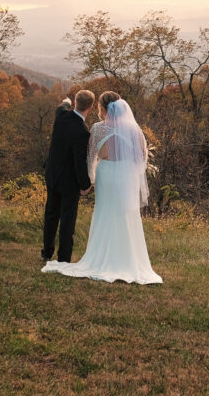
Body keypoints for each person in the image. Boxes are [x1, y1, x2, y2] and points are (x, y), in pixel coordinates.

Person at [42, 91, 162, 284]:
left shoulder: (98, 129)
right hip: (126, 177)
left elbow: (90, 158)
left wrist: (87, 182)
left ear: (101, 108)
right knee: (125, 215)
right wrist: (128, 172)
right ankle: (127, 259)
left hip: (106, 176)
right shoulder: (135, 131)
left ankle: (100, 257)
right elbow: (142, 159)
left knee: (105, 213)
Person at [41, 89, 94, 264]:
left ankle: (46, 252)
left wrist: (66, 102)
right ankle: (63, 257)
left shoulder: (61, 115)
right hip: (69, 181)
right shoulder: (82, 132)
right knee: (67, 219)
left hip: (52, 174)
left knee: (51, 213)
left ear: (75, 103)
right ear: (90, 107)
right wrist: (85, 184)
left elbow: (62, 105)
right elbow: (79, 162)